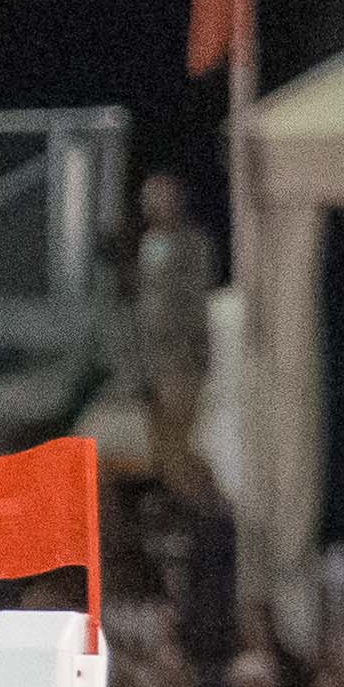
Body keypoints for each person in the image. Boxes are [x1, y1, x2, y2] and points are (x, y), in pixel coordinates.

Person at [130, 173, 218, 482]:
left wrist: (192, 355)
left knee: (178, 443)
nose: (153, 205)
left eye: (161, 197)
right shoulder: (147, 242)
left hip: (181, 358)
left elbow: (194, 303)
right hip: (150, 356)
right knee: (159, 446)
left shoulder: (195, 243)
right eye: (149, 198)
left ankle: (207, 507)